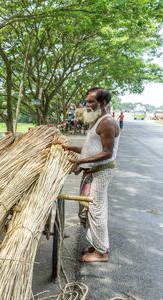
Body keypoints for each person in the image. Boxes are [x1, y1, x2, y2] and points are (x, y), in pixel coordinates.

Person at [56, 87, 120, 263]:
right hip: (93, 171)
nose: (88, 105)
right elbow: (91, 149)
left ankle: (101, 253)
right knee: (89, 208)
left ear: (104, 102)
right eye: (87, 101)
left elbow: (107, 152)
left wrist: (80, 162)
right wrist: (69, 148)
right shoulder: (97, 121)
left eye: (92, 101)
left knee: (96, 209)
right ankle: (95, 245)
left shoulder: (107, 122)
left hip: (101, 172)